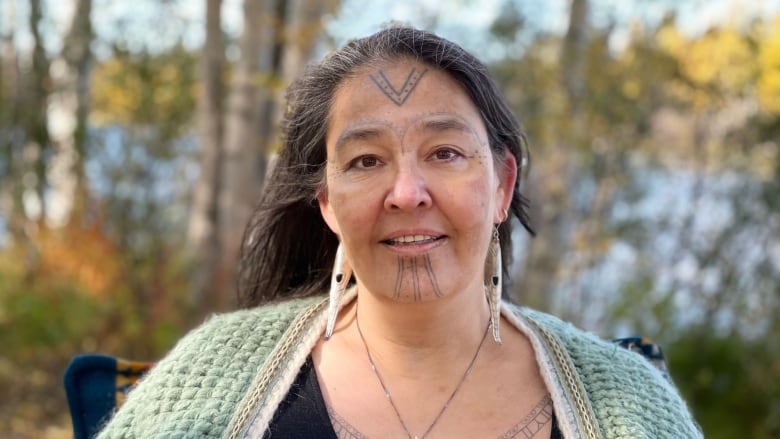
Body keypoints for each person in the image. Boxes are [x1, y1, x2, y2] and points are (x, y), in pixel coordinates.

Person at [97, 26, 702, 439]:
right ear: (327, 201)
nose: (407, 192)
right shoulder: (212, 376)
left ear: (501, 186)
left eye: (444, 152)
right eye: (365, 160)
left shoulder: (626, 405)